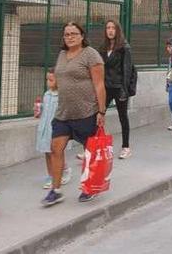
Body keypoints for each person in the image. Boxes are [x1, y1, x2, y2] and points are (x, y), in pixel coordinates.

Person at [41, 22, 106, 207]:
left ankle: (89, 187)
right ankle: (56, 190)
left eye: (73, 34)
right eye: (66, 34)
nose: (69, 37)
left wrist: (101, 111)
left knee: (89, 152)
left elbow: (99, 84)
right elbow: (58, 80)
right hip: (63, 112)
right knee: (55, 148)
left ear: (82, 36)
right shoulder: (62, 54)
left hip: (86, 112)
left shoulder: (91, 54)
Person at [99, 20, 134, 159]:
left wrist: (124, 90)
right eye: (108, 28)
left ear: (117, 30)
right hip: (105, 87)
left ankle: (126, 147)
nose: (110, 30)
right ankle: (93, 146)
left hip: (119, 87)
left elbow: (128, 69)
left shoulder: (124, 47)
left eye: (113, 28)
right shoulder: (102, 47)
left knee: (122, 117)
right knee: (98, 115)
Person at [36, 68, 71, 189]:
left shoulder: (62, 96)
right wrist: (38, 110)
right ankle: (50, 175)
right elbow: (44, 111)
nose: (48, 82)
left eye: (51, 80)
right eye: (47, 79)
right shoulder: (47, 94)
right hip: (45, 128)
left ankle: (63, 170)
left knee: (56, 153)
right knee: (47, 152)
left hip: (56, 129)